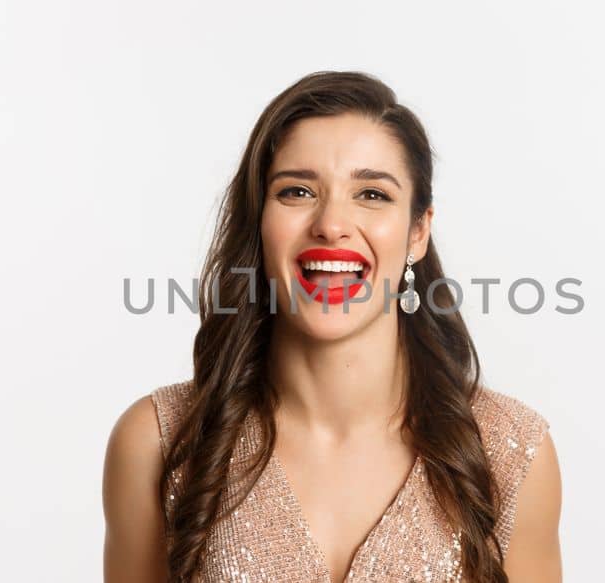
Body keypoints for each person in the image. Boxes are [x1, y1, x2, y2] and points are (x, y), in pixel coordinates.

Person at [103, 71, 562, 582]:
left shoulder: (512, 452)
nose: (331, 223)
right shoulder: (159, 443)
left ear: (417, 232)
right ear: (258, 222)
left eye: (372, 194)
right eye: (297, 191)